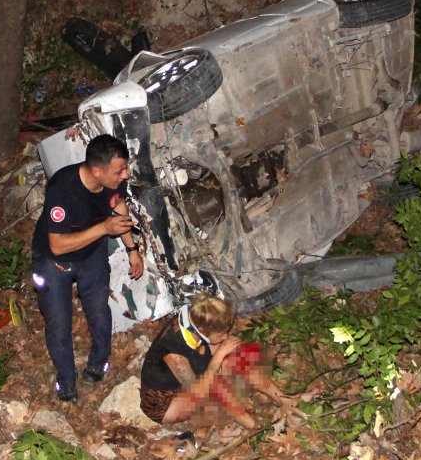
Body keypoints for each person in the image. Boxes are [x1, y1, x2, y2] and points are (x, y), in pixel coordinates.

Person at [32, 134, 144, 402]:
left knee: (99, 311)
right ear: (97, 170)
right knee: (59, 323)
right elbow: (58, 245)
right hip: (53, 260)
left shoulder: (111, 184)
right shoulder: (63, 188)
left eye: (125, 168)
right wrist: (104, 228)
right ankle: (66, 380)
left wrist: (132, 250)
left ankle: (99, 362)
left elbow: (118, 206)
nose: (125, 175)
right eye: (120, 170)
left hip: (91, 255)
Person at [139, 294, 299, 429]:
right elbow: (197, 391)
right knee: (215, 384)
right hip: (168, 402)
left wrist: (224, 351)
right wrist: (218, 358)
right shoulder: (175, 356)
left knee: (238, 355)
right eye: (222, 333)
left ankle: (285, 399)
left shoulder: (195, 318)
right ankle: (252, 424)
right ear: (202, 330)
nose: (226, 336)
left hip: (192, 371)